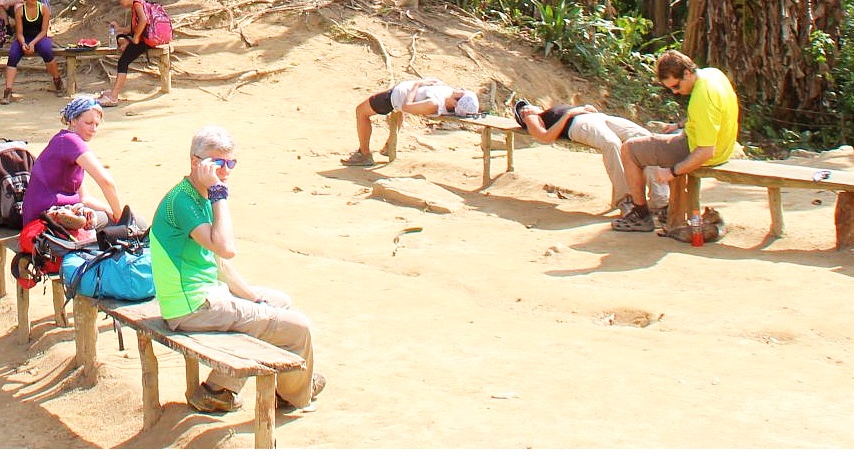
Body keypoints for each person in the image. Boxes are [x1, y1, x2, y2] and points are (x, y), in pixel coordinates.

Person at [150, 124, 325, 416]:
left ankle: (220, 390)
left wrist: (254, 299)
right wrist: (219, 194)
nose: (226, 170)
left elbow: (219, 264)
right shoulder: (185, 200)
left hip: (203, 296)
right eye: (219, 163)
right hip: (191, 306)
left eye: (231, 163)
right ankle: (295, 394)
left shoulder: (196, 194)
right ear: (197, 162)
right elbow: (226, 248)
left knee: (277, 302)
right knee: (299, 328)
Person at [613, 50, 741, 232]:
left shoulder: (702, 98)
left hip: (703, 152)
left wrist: (673, 172)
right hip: (723, 147)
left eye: (676, 86)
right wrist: (679, 124)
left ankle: (640, 215)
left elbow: (705, 151)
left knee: (629, 149)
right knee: (654, 140)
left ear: (687, 73)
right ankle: (665, 209)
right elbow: (712, 117)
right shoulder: (713, 75)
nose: (675, 92)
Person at [511, 98, 668, 215]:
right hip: (576, 124)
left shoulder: (550, 110)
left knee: (645, 138)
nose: (525, 108)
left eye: (525, 105)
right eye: (521, 110)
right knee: (611, 143)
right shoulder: (532, 117)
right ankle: (626, 200)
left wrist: (585, 109)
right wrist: (568, 115)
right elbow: (545, 137)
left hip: (598, 118)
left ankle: (660, 201)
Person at [21, 96, 127, 231]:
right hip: (43, 218)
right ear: (72, 120)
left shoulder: (62, 140)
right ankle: (62, 219)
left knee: (104, 216)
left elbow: (85, 199)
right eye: (88, 123)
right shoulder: (70, 141)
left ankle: (68, 219)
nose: (93, 129)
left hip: (38, 216)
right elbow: (106, 182)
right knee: (135, 224)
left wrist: (108, 209)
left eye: (97, 124)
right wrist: (121, 218)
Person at [344, 78, 480, 164]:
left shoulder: (433, 104)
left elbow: (406, 107)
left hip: (394, 99)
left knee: (361, 112)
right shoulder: (449, 97)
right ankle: (389, 146)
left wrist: (417, 84)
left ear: (456, 103)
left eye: (462, 94)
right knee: (395, 113)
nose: (461, 89)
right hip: (398, 93)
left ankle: (364, 154)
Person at [98, 0, 160, 107]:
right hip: (145, 38)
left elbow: (143, 21)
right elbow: (131, 29)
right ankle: (113, 93)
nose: (120, 1)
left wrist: (136, 37)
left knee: (123, 62)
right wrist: (119, 28)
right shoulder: (138, 5)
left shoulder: (137, 5)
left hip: (145, 40)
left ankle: (114, 97)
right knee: (120, 37)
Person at [1, 0, 63, 104]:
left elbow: (44, 31)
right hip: (24, 38)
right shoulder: (20, 10)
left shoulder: (44, 9)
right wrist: (24, 43)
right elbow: (19, 32)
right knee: (13, 55)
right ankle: (8, 90)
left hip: (40, 37)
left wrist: (33, 43)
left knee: (47, 51)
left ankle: (57, 80)